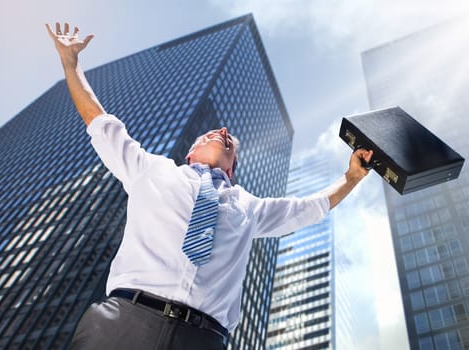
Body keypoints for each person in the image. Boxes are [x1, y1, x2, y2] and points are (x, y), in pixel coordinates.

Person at [46, 22, 373, 350]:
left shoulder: (248, 206)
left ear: (233, 167)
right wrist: (70, 66)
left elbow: (307, 210)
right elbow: (100, 122)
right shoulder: (152, 170)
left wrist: (351, 179)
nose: (223, 130)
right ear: (190, 153)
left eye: (231, 141)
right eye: (210, 133)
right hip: (125, 323)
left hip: (201, 338)